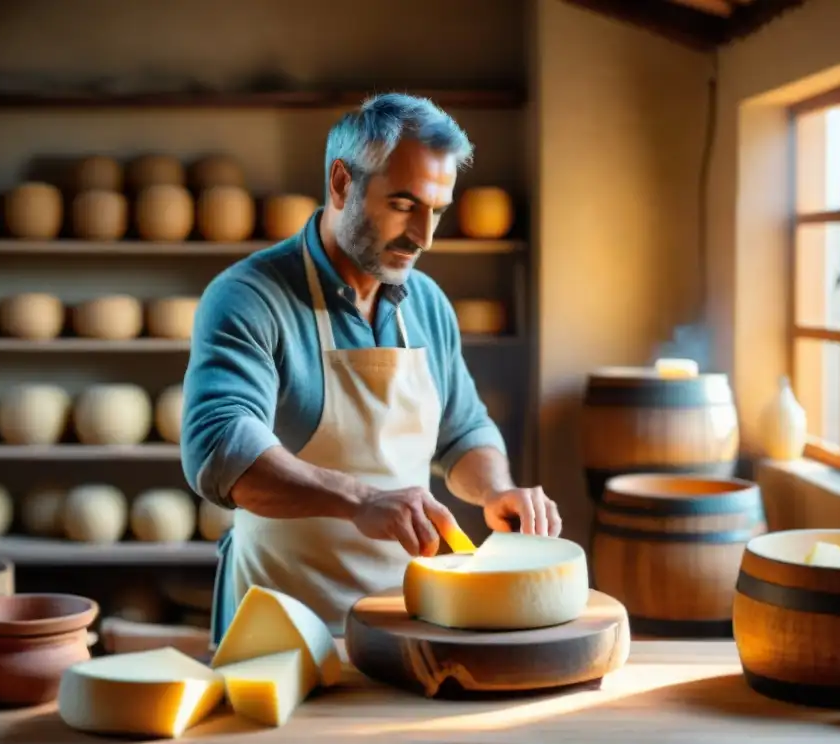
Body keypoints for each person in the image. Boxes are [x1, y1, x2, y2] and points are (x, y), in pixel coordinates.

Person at [181, 93, 563, 643]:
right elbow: (221, 449)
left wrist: (497, 490)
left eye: (437, 212)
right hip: (279, 625)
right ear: (342, 183)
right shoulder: (249, 297)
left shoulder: (427, 302)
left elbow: (464, 432)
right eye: (404, 205)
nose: (424, 237)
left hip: (403, 620)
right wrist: (361, 500)